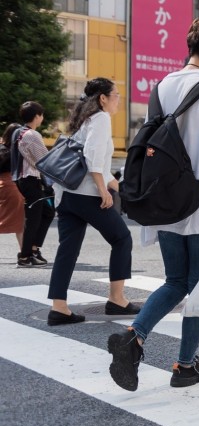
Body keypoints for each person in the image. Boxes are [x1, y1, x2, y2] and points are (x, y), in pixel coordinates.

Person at [108, 17, 199, 391]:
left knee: (175, 281)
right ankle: (184, 365)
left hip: (165, 205)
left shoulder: (162, 87)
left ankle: (134, 336)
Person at [45, 78, 137, 326]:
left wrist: (122, 189)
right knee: (122, 238)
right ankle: (117, 299)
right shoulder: (101, 119)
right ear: (103, 98)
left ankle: (59, 307)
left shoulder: (82, 121)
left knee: (68, 249)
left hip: (67, 195)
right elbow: (92, 158)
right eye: (116, 95)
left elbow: (100, 168)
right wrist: (103, 191)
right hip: (86, 195)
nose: (118, 99)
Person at [11, 101, 55, 267]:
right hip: (30, 179)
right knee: (34, 218)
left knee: (47, 212)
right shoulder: (32, 135)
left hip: (24, 179)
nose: (42, 117)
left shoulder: (18, 132)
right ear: (37, 116)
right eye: (41, 114)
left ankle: (33, 249)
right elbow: (45, 160)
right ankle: (25, 256)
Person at [0, 124, 25, 255]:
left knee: (16, 221)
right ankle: (25, 252)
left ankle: (25, 251)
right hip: (10, 186)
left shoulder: (3, 149)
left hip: (4, 185)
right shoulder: (11, 152)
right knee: (19, 222)